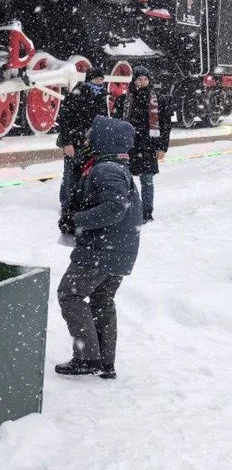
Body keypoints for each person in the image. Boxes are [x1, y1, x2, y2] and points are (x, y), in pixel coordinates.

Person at [55, 116, 141, 379]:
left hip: (102, 249)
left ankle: (87, 358)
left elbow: (114, 209)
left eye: (92, 137)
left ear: (104, 141)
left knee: (69, 294)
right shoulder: (116, 167)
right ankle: (105, 361)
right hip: (119, 250)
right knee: (103, 300)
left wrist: (75, 220)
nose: (87, 140)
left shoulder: (105, 169)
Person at [111, 65, 171, 222]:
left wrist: (162, 147)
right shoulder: (124, 100)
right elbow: (115, 123)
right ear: (134, 80)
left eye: (145, 79)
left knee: (147, 180)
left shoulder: (158, 100)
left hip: (148, 146)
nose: (143, 82)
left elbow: (165, 124)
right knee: (126, 180)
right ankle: (128, 210)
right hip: (128, 146)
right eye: (139, 79)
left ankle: (146, 212)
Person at [56, 68, 109, 234]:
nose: (99, 82)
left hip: (91, 143)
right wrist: (67, 142)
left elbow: (103, 120)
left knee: (84, 175)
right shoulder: (76, 95)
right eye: (96, 80)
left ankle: (77, 204)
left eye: (101, 79)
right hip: (75, 141)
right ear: (89, 80)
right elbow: (64, 120)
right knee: (70, 174)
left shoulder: (101, 96)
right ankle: (67, 206)